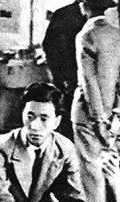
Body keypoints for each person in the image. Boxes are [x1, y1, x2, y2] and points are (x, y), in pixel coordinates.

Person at [72, 0, 120, 202]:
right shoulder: (119, 34)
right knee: (110, 165)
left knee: (90, 170)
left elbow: (88, 80)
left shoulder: (86, 34)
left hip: (88, 112)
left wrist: (98, 118)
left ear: (85, 6)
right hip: (113, 112)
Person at [42, 0, 87, 141]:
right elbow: (50, 47)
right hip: (72, 77)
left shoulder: (62, 14)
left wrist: (59, 77)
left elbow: (48, 47)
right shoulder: (66, 15)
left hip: (70, 78)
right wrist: (61, 77)